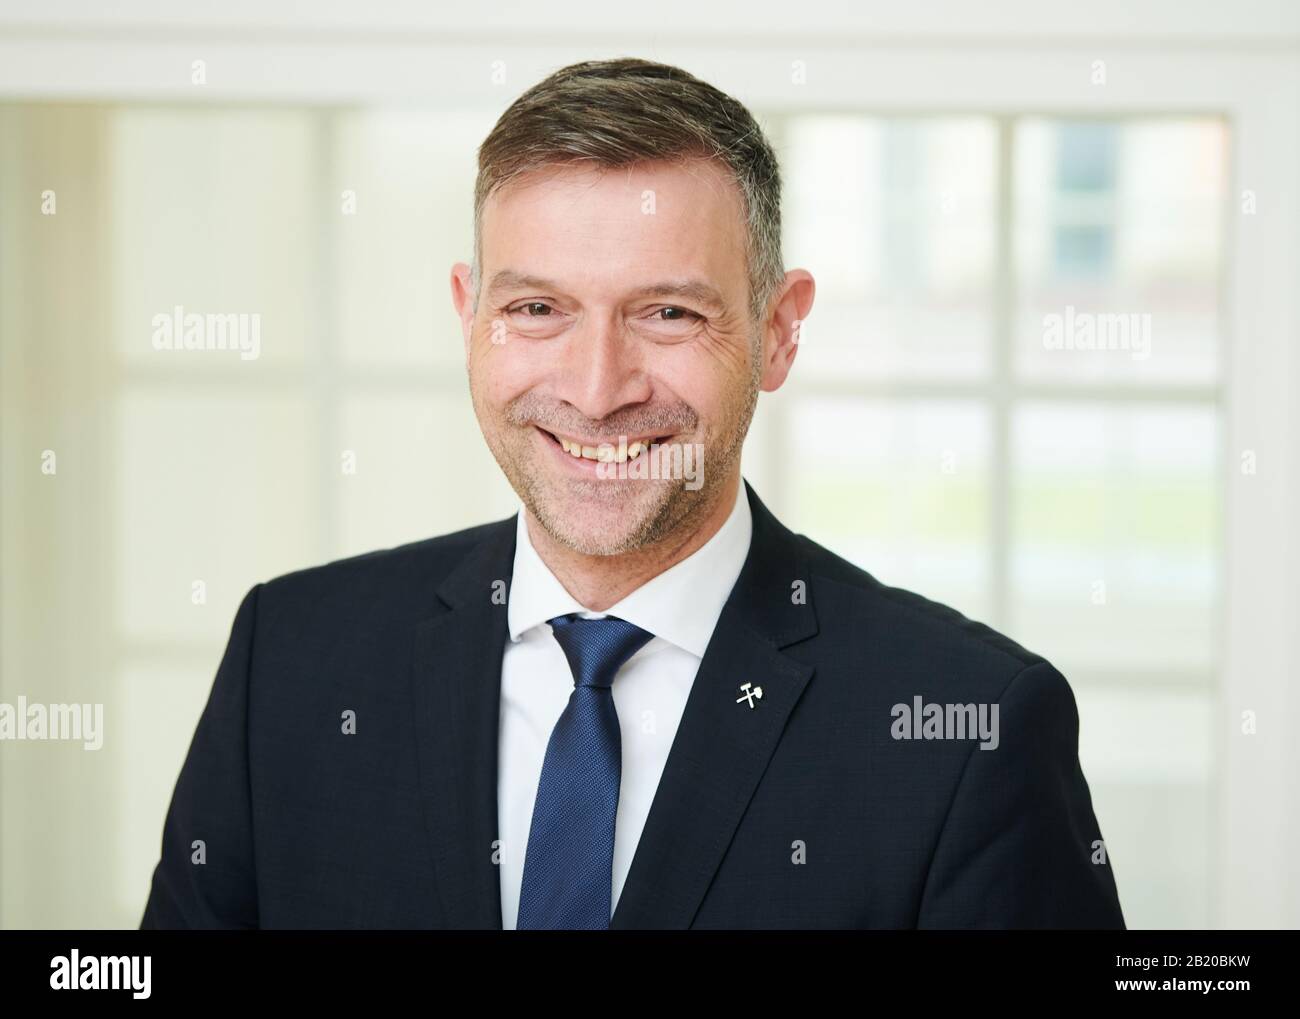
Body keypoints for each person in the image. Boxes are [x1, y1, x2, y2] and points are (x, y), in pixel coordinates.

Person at [140, 57, 1123, 929]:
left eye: (665, 311)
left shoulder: (969, 724)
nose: (596, 386)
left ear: (778, 329)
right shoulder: (293, 659)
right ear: (468, 314)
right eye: (536, 308)